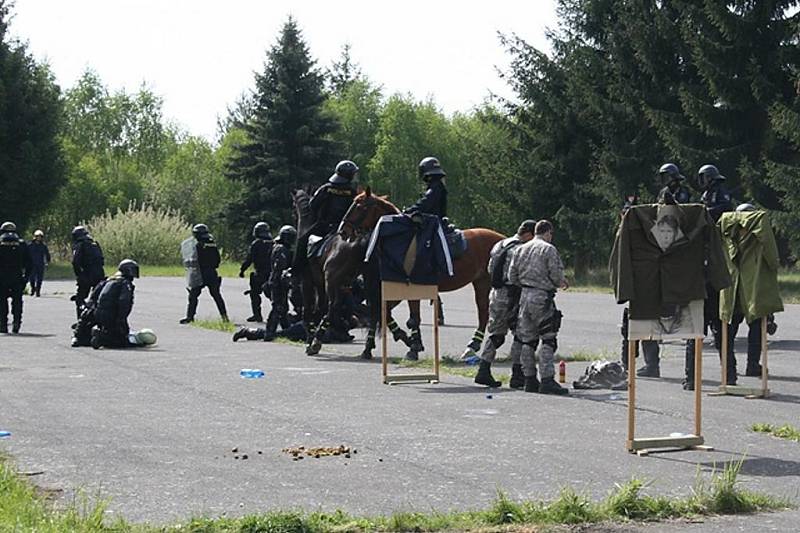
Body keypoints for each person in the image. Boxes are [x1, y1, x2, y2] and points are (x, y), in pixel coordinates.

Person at [507, 220, 569, 395]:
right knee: (548, 338)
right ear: (548, 232)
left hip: (524, 297)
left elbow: (512, 276)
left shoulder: (520, 249)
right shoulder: (548, 249)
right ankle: (547, 379)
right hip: (542, 298)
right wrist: (562, 282)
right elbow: (555, 275)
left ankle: (529, 380)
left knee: (527, 340)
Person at [474, 219, 537, 389]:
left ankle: (484, 369)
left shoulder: (500, 244)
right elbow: (520, 274)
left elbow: (490, 268)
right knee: (520, 334)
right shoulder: (521, 249)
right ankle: (517, 374)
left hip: (496, 293)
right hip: (513, 294)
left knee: (496, 334)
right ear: (529, 234)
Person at [233, 225, 298, 342]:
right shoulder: (280, 249)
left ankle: (285, 331)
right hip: (276, 282)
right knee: (277, 307)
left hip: (275, 281)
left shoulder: (282, 248)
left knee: (283, 309)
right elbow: (278, 269)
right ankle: (268, 332)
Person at [293, 160, 359, 273]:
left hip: (324, 227)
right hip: (345, 228)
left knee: (302, 241)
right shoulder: (352, 192)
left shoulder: (326, 189)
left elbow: (313, 206)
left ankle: (295, 271)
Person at [180, 224, 228, 324]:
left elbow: (193, 260)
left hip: (200, 273)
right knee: (217, 295)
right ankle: (224, 317)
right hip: (212, 273)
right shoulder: (212, 244)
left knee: (193, 295)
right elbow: (217, 259)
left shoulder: (197, 245)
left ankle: (190, 317)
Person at [91, 259, 139, 348]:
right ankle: (101, 337)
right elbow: (124, 302)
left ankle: (101, 332)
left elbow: (94, 295)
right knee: (122, 341)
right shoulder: (125, 283)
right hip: (111, 315)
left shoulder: (109, 280)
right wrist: (121, 319)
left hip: (98, 313)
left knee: (116, 332)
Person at [0, 222, 31, 334]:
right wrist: (26, 278)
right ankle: (17, 322)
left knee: (2, 302)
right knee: (17, 301)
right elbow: (29, 263)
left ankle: (3, 324)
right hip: (17, 277)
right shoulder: (21, 244)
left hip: (2, 278)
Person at [239, 221, 273, 322]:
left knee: (254, 294)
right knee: (273, 295)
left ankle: (257, 315)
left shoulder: (256, 244)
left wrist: (242, 270)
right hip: (271, 273)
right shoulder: (273, 243)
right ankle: (279, 314)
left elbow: (249, 259)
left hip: (260, 273)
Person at [71, 225, 106, 319]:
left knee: (80, 298)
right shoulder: (95, 243)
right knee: (97, 297)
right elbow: (102, 260)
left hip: (86, 273)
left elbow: (75, 261)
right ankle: (97, 318)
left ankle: (81, 320)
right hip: (99, 273)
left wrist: (79, 275)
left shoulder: (80, 244)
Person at [27, 229, 50, 297]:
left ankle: (38, 291)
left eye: (40, 236)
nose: (39, 238)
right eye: (37, 236)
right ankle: (33, 289)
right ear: (35, 237)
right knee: (32, 278)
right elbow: (26, 254)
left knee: (39, 279)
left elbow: (47, 254)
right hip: (32, 264)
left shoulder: (43, 246)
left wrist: (48, 261)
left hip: (40, 264)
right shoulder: (30, 245)